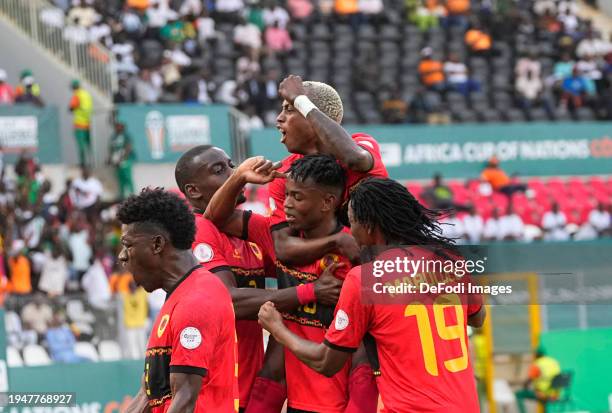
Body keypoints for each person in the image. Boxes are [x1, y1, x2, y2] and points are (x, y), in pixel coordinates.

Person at [258, 177, 485, 412]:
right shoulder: (450, 261)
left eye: (353, 222)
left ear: (369, 227)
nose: (351, 231)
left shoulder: (363, 279)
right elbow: (477, 318)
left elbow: (325, 361)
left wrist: (277, 329)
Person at [174, 146, 342, 412]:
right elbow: (227, 301)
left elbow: (295, 265)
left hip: (248, 388)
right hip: (215, 394)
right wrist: (311, 292)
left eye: (231, 165)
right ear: (193, 190)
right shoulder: (197, 230)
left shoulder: (246, 237)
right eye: (220, 171)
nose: (232, 172)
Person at [205, 155, 378, 413]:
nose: (286, 205)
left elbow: (365, 342)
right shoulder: (275, 237)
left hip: (339, 400)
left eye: (297, 197)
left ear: (327, 202)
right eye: (286, 195)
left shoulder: (355, 250)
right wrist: (239, 176)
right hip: (294, 397)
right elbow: (215, 216)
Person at [120, 188, 238, 413]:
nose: (122, 255)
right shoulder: (177, 295)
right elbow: (149, 395)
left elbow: (184, 403)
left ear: (157, 245)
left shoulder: (197, 301)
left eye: (128, 245)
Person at [268, 75, 388, 268]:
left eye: (289, 109)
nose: (279, 119)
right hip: (334, 281)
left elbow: (354, 159)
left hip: (387, 272)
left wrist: (301, 101)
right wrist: (338, 242)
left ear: (313, 119)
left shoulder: (362, 145)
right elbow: (283, 248)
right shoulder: (285, 173)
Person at [515, 347, 561, 413]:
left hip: (543, 394)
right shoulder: (553, 361)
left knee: (518, 394)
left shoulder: (537, 364)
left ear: (536, 355)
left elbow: (527, 382)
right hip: (555, 394)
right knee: (542, 398)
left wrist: (526, 387)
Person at [121, 279, 148, 359]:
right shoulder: (124, 296)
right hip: (130, 326)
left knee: (142, 345)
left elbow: (145, 283)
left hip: (140, 324)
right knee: (132, 347)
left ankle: (143, 361)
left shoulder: (142, 294)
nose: (132, 287)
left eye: (133, 285)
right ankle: (134, 362)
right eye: (130, 286)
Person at [68, 80, 93, 167]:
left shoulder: (77, 95)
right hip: (88, 123)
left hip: (79, 124)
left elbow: (71, 107)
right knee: (89, 145)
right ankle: (92, 162)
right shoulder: (87, 94)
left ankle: (83, 163)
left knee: (81, 145)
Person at [108, 122, 135, 200]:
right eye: (116, 126)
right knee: (120, 179)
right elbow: (111, 148)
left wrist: (123, 158)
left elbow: (129, 147)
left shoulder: (126, 135)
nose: (117, 128)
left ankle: (132, 194)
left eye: (119, 126)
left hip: (125, 160)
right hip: (116, 161)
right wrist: (111, 159)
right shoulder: (113, 136)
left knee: (128, 178)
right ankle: (122, 195)